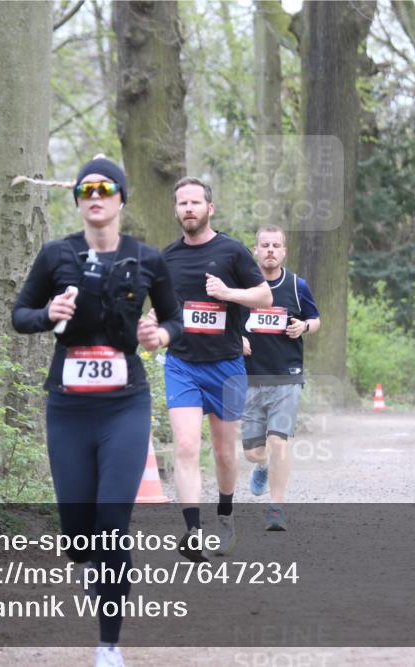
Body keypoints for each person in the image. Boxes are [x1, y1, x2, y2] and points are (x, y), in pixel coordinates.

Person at [12, 156, 183, 667]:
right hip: (67, 409)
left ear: (121, 199)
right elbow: (20, 315)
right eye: (86, 189)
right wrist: (48, 314)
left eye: (106, 188)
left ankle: (108, 644)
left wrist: (162, 334)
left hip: (124, 405)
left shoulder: (148, 259)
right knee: (77, 533)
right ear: (79, 200)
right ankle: (87, 558)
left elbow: (174, 317)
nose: (95, 195)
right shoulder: (55, 255)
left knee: (112, 523)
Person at [157, 176, 272, 561]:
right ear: (176, 210)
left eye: (195, 202)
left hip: (225, 366)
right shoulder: (167, 257)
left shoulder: (233, 252)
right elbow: (162, 308)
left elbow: (264, 295)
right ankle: (192, 531)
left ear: (210, 208)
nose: (188, 208)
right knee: (187, 446)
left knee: (224, 453)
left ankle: (225, 514)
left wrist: (228, 294)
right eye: (182, 203)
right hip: (182, 365)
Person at [240, 225, 321, 531]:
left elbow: (315, 320)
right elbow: (230, 320)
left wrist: (304, 327)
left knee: (278, 442)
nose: (271, 250)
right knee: (253, 452)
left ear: (284, 251)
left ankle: (276, 507)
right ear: (256, 250)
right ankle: (261, 467)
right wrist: (236, 339)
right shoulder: (245, 287)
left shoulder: (297, 286)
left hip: (287, 376)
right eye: (265, 245)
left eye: (276, 245)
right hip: (250, 379)